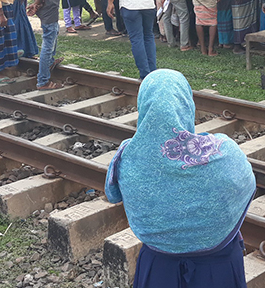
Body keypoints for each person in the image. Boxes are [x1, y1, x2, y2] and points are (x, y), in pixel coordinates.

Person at [105, 69, 254, 288]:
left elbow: (112, 194)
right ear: (187, 104)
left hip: (158, 268)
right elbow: (247, 185)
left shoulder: (127, 156)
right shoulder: (223, 151)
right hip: (218, 268)